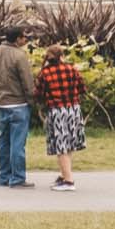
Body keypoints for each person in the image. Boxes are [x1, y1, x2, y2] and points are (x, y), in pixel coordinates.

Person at [35, 43, 86, 191]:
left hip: (57, 111)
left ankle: (69, 181)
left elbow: (38, 94)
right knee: (68, 144)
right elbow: (82, 88)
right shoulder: (72, 69)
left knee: (60, 146)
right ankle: (64, 175)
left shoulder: (44, 73)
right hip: (73, 109)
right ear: (62, 56)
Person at [0, 24, 36, 188]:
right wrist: (32, 101)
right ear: (17, 39)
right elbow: (27, 82)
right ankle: (17, 178)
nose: (26, 39)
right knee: (18, 143)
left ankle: (4, 176)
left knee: (4, 142)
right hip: (19, 104)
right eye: (24, 37)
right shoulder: (19, 55)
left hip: (2, 103)